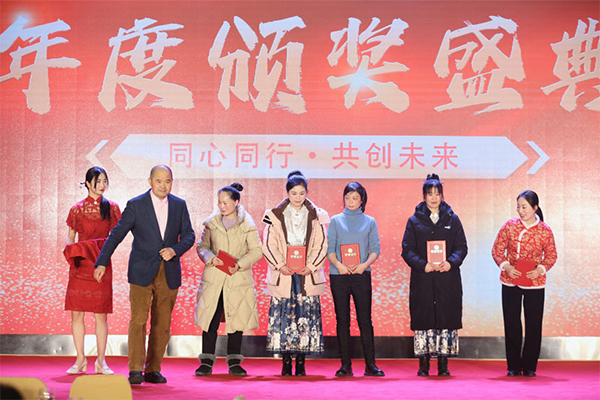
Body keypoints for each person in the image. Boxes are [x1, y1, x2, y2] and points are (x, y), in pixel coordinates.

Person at [95, 165, 195, 385]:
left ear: (172, 182)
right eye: (158, 181)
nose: (163, 185)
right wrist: (101, 261)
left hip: (168, 271)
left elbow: (189, 235)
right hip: (141, 270)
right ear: (150, 181)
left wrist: (175, 250)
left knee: (162, 324)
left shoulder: (179, 205)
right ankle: (135, 369)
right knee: (138, 320)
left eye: (167, 181)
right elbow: (116, 235)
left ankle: (153, 369)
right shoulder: (136, 204)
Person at [263, 171, 329, 376]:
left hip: (306, 273)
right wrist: (280, 264)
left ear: (307, 192)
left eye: (302, 193)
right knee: (284, 316)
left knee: (305, 316)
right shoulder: (273, 215)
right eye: (294, 193)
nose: (298, 197)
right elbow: (268, 244)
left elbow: (322, 244)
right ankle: (285, 361)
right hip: (284, 273)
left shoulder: (318, 214)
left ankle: (301, 361)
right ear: (287, 193)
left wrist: (311, 265)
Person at [401, 174, 468, 377]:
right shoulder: (414, 221)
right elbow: (407, 250)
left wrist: (450, 263)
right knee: (424, 318)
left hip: (447, 279)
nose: (434, 198)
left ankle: (443, 364)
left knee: (446, 318)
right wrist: (423, 265)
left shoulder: (452, 219)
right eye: (430, 194)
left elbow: (461, 247)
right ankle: (423, 364)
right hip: (423, 279)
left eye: (437, 194)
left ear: (442, 195)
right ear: (424, 196)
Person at [194, 183, 263, 377]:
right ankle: (206, 361)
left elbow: (257, 250)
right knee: (210, 318)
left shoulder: (247, 224)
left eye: (225, 203)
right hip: (215, 277)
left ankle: (234, 362)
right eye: (219, 202)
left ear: (236, 202)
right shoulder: (212, 222)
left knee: (236, 319)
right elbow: (202, 246)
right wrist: (210, 258)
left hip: (237, 277)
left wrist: (240, 264)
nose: (222, 206)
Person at [492, 190, 557, 377]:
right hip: (510, 280)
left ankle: (529, 366)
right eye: (518, 207)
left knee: (533, 324)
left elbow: (551, 255)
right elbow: (497, 250)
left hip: (534, 282)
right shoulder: (509, 226)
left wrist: (540, 270)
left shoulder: (545, 230)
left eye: (524, 207)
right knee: (512, 323)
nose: (520, 211)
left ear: (535, 208)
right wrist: (506, 266)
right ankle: (513, 365)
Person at [64, 167, 121, 375]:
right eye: (98, 181)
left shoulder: (112, 208)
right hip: (80, 264)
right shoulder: (77, 209)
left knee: (101, 316)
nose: (102, 185)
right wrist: (71, 253)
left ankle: (101, 361)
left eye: (105, 181)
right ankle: (80, 360)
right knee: (77, 314)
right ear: (88, 183)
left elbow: (116, 237)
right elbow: (70, 236)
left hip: (101, 265)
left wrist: (103, 259)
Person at [328, 182, 385, 377]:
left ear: (362, 200)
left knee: (365, 320)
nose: (350, 202)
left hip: (361, 275)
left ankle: (371, 365)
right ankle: (345, 365)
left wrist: (363, 265)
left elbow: (375, 249)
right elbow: (330, 249)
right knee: (342, 320)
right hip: (339, 275)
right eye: (347, 198)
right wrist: (339, 265)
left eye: (355, 198)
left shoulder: (370, 221)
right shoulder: (335, 220)